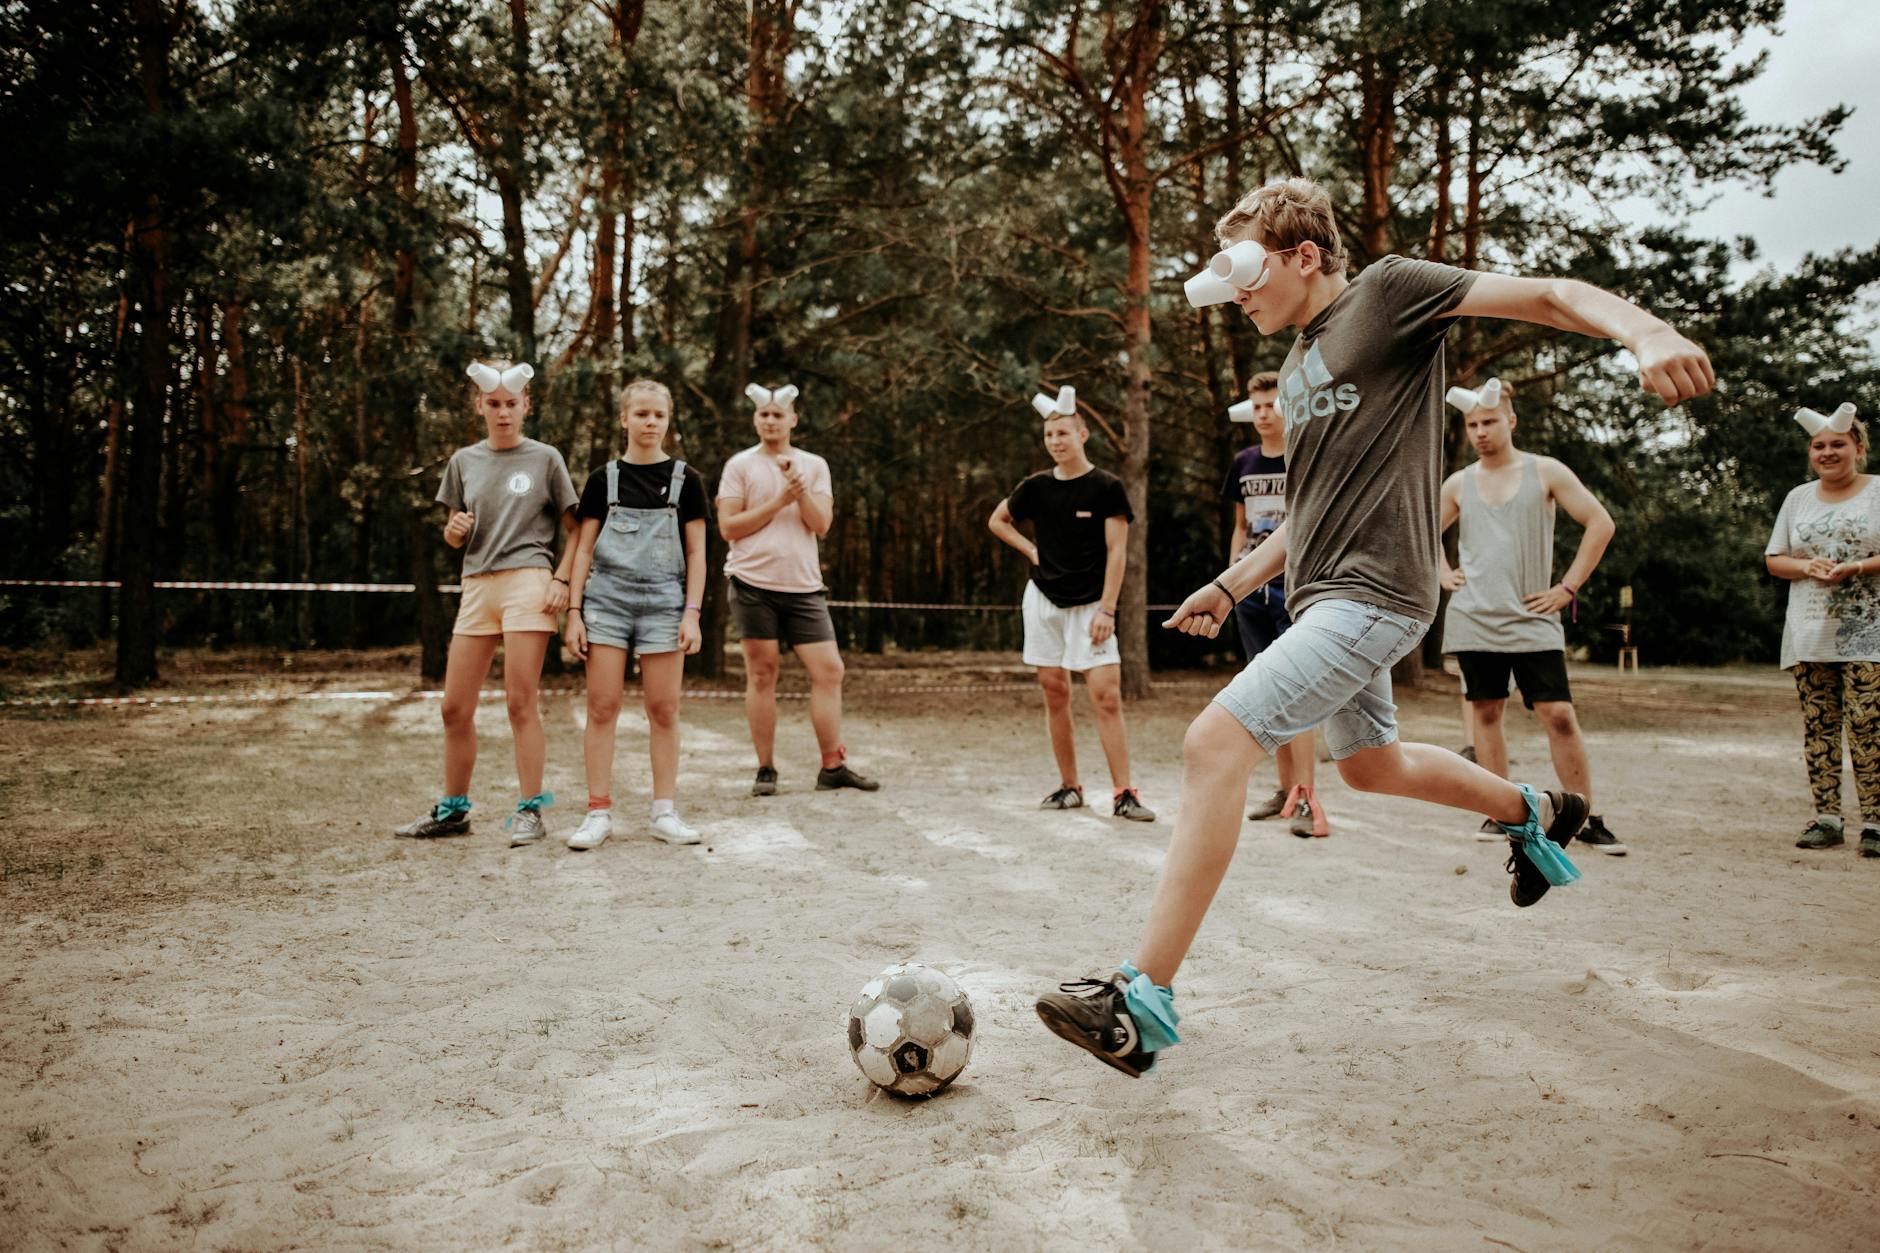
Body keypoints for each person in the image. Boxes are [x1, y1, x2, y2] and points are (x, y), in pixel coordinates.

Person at [1035, 176, 1713, 1077]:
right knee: (1369, 764)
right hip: (1325, 596)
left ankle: (1139, 1001)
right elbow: (1309, 508)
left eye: (1245, 272)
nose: (1237, 296)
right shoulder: (1299, 363)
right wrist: (1232, 583)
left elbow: (1550, 295)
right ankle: (1539, 812)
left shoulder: (1388, 294)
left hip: (1377, 593)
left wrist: (1646, 331)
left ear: (1304, 255)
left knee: (1213, 742)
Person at [1437, 377, 1625, 854]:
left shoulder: (1546, 471)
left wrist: (1567, 588)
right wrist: (1440, 570)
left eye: (1490, 421)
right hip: (1474, 617)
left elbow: (1600, 523)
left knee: (1558, 714)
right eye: (1473, 425)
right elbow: (1420, 530)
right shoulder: (1458, 483)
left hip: (1532, 616)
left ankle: (1584, 817)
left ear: (1511, 420)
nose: (1481, 431)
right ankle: (1501, 812)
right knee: (1486, 711)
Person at [397, 361, 579, 845]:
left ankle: (531, 811)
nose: (503, 413)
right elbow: (455, 531)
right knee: (454, 708)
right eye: (493, 404)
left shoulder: (545, 458)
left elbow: (578, 528)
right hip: (477, 585)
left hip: (528, 582)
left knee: (521, 703)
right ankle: (454, 811)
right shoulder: (463, 461)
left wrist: (563, 579)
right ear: (478, 406)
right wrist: (453, 531)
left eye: (511, 404)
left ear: (526, 405)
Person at [989, 385, 1154, 822]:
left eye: (1063, 433)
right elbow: (998, 520)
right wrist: (1030, 550)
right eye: (1049, 435)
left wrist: (1107, 609)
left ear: (1082, 435)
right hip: (1043, 600)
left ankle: (1124, 793)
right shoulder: (1035, 487)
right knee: (1054, 691)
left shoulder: (1107, 487)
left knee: (1106, 696)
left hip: (1091, 605)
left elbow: (1117, 552)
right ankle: (1070, 786)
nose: (1055, 441)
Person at [562, 380, 710, 850]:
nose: (650, 422)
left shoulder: (688, 480)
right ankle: (597, 812)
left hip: (666, 605)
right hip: (606, 603)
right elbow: (583, 550)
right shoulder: (602, 479)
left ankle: (664, 812)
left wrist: (692, 614)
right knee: (602, 707)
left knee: (663, 710)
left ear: (668, 420)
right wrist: (574, 612)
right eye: (641, 413)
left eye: (658, 415)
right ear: (624, 419)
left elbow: (697, 554)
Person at [718, 382, 878, 795]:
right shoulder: (740, 465)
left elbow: (821, 524)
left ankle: (832, 767)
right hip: (752, 584)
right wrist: (778, 500)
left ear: (793, 419)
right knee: (762, 673)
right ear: (755, 420)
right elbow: (729, 527)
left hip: (804, 587)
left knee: (830, 670)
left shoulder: (814, 465)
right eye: (764, 415)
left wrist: (799, 490)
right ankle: (766, 769)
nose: (771, 421)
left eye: (778, 415)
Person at [1764, 403, 1880, 857]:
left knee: (1868, 725)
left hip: (1869, 632)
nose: (1827, 452)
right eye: (1818, 446)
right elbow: (1775, 560)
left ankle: (1875, 823)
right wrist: (1806, 566)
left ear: (1858, 448)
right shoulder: (1798, 498)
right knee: (1820, 726)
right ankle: (1827, 819)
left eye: (1837, 444)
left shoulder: (1877, 491)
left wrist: (1858, 567)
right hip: (1811, 631)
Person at [1222, 371, 1324, 837]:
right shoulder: (1243, 462)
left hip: (1296, 587)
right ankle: (1284, 791)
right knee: (1271, 694)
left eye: (1272, 405)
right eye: (1258, 407)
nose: (1264, 414)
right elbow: (1240, 527)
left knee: (1298, 694)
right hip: (1251, 592)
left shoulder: (1306, 453)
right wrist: (1231, 582)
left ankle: (1307, 797)